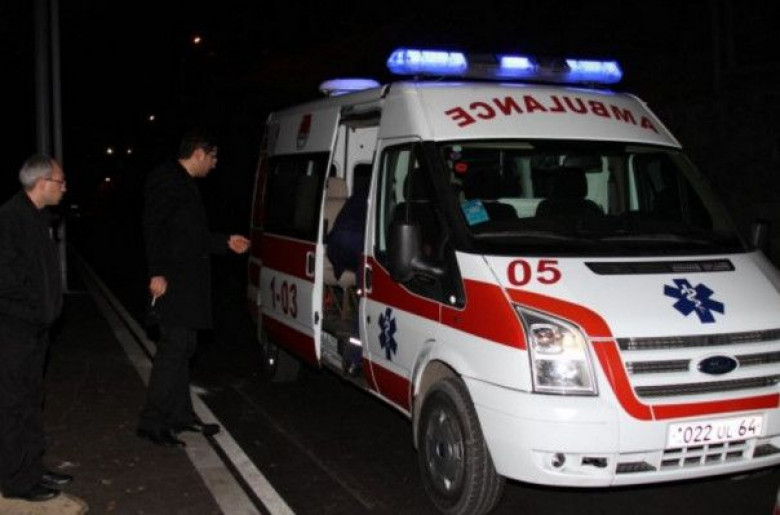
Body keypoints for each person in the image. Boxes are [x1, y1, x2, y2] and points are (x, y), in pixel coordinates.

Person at [137, 131, 250, 447]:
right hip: (173, 281)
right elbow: (154, 227)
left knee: (184, 348)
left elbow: (190, 235)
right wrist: (157, 272)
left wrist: (225, 242)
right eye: (213, 157)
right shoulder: (166, 179)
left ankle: (180, 416)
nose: (214, 164)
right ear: (199, 153)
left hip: (187, 282)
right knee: (172, 351)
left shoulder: (184, 182)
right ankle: (152, 421)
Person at [0, 155, 73, 502]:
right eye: (60, 181)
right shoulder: (10, 219)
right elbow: (7, 283)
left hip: (33, 333)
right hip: (13, 333)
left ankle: (32, 467)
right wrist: (37, 313)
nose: (64, 188)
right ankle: (17, 480)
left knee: (31, 402)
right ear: (42, 182)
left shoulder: (35, 217)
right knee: (14, 406)